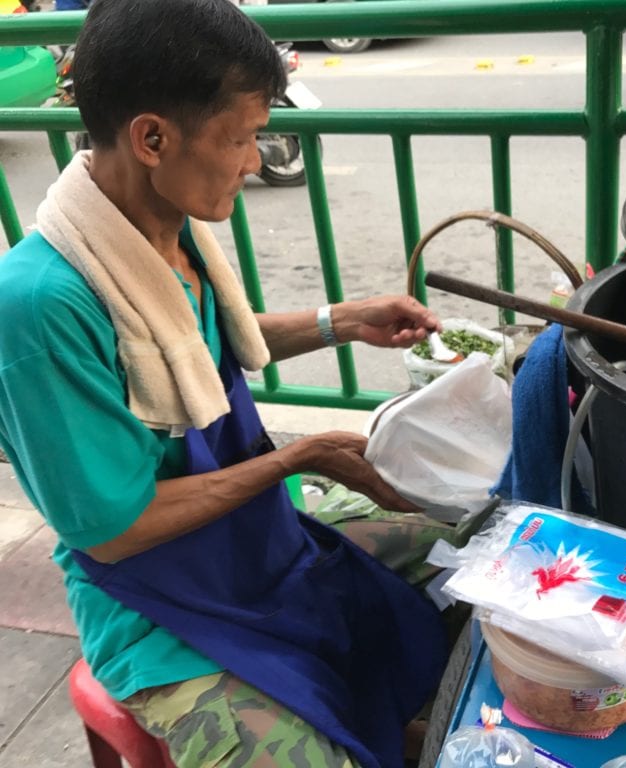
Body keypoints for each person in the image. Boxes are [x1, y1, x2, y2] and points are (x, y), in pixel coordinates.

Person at [0, 0, 458, 765]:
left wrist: (339, 321)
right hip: (151, 604)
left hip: (250, 532)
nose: (254, 160)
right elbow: (116, 533)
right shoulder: (41, 309)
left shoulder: (160, 233)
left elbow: (195, 355)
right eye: (242, 138)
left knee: (470, 560)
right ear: (153, 138)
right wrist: (293, 458)